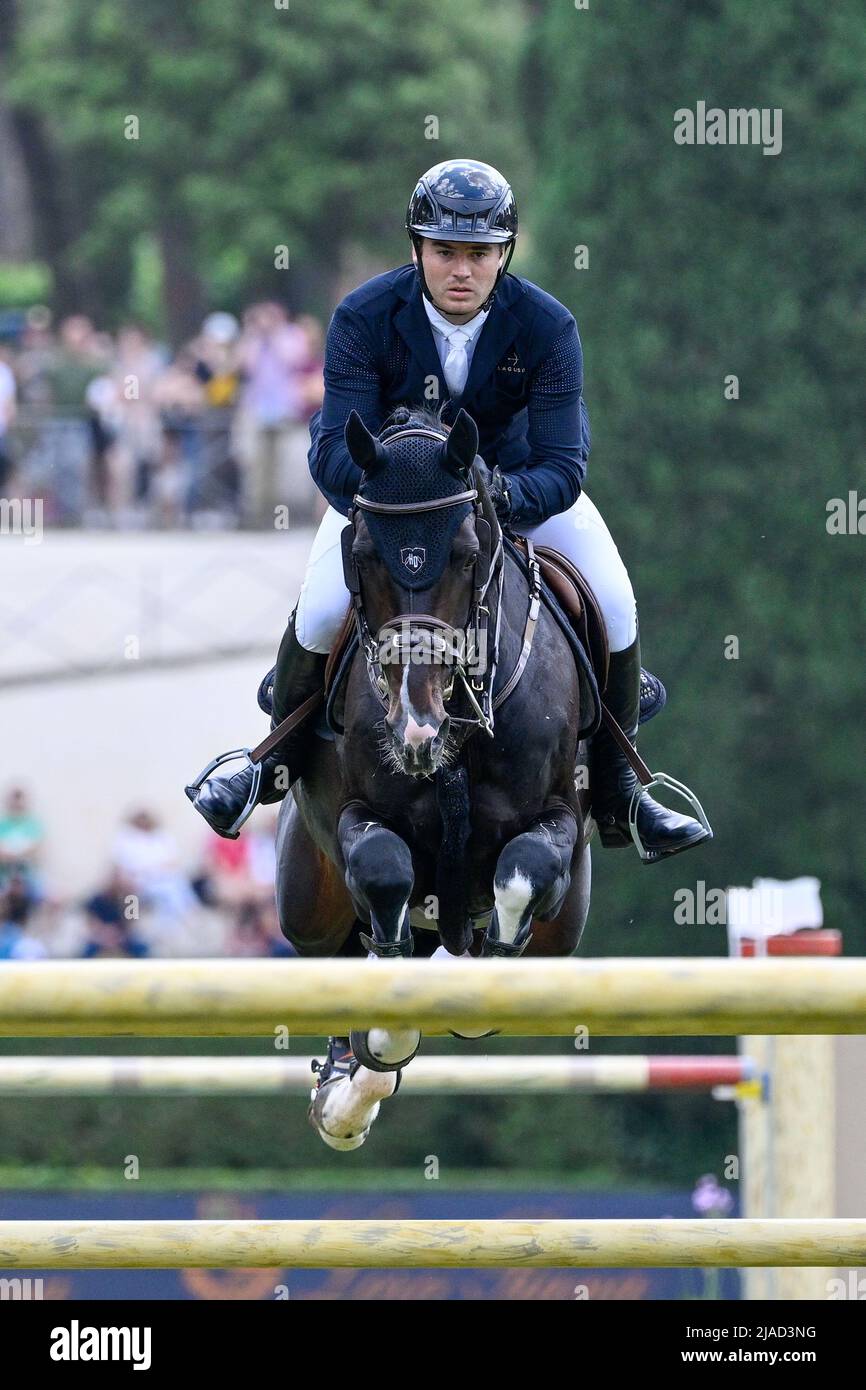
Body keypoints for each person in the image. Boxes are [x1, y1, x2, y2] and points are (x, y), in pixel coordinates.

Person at [187, 159, 710, 867]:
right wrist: (396, 504)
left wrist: (499, 501)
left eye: (478, 254)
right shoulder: (364, 318)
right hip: (390, 509)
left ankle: (622, 791)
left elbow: (563, 464)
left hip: (515, 499)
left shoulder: (548, 326)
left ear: (504, 255)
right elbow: (331, 456)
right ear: (416, 250)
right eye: (444, 252)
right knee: (316, 613)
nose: (460, 270)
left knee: (614, 600)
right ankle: (269, 765)